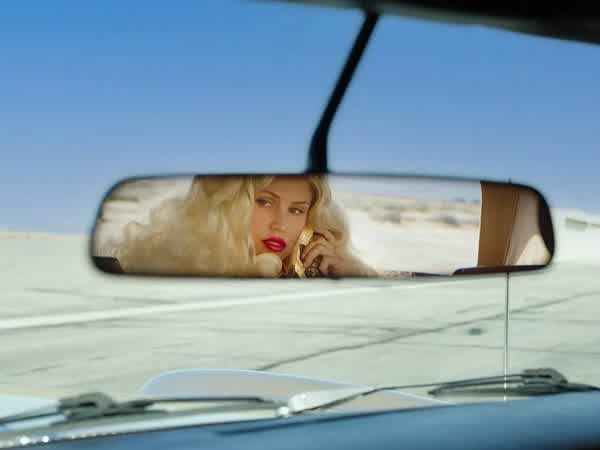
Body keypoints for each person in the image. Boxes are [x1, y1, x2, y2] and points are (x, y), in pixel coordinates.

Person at [110, 174, 378, 278]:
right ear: (227, 208)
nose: (280, 225)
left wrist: (356, 273)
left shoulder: (305, 275)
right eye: (264, 202)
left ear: (310, 225)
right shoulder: (179, 269)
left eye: (296, 210)